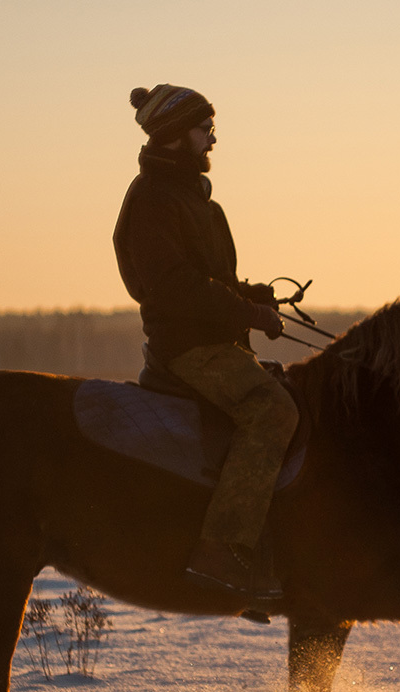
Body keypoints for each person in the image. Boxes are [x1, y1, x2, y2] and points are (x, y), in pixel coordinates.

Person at [113, 84, 298, 610]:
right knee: (272, 413)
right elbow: (175, 288)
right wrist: (248, 313)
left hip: (218, 341)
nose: (212, 138)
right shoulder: (151, 199)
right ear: (175, 136)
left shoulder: (191, 196)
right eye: (204, 128)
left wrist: (252, 295)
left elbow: (208, 279)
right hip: (189, 350)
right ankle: (221, 551)